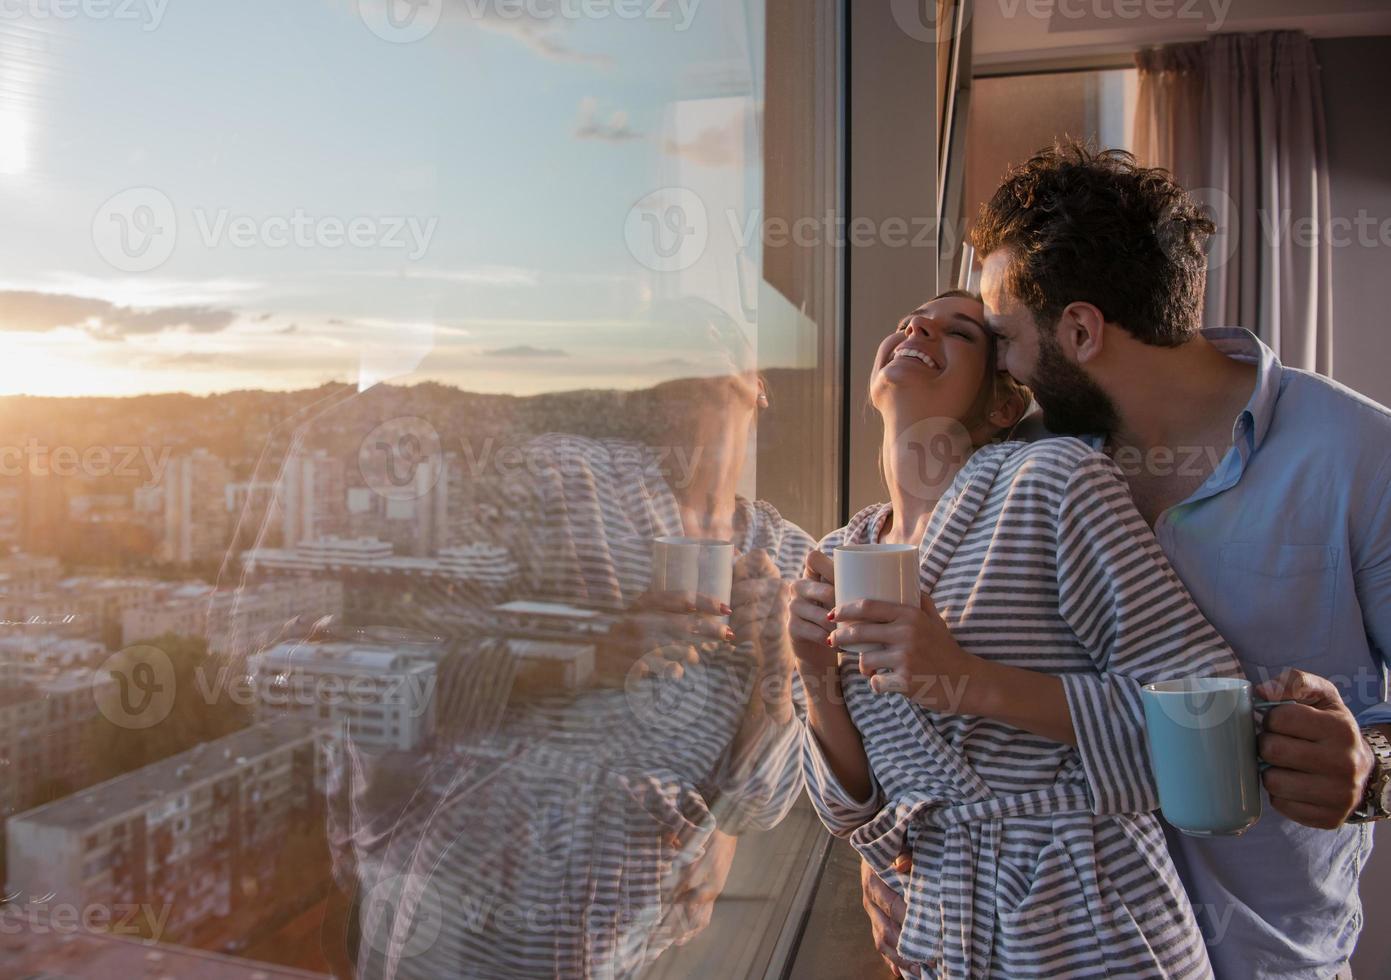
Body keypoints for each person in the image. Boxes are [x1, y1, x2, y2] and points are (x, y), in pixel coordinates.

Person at [860, 143, 1391, 980]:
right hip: (1050, 948)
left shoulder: (1364, 457)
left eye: (1000, 338)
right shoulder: (1029, 461)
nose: (996, 365)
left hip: (1267, 953)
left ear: (1079, 330)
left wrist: (1373, 768)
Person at [791, 290, 1242, 978]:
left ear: (1003, 407)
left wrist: (967, 679)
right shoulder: (842, 554)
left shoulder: (1051, 481)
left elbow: (1208, 723)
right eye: (908, 318)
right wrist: (813, 676)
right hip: (940, 932)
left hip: (1091, 921)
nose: (915, 326)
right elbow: (850, 814)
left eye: (959, 331)